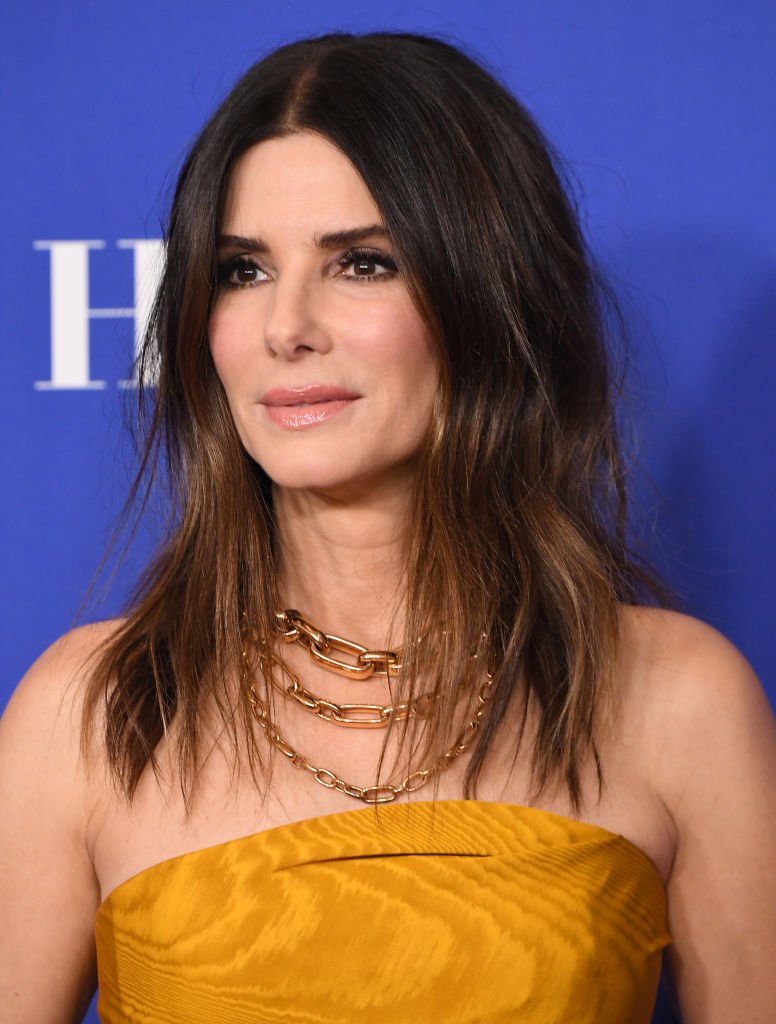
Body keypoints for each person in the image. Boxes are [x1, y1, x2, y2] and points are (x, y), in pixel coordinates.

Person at [1, 31, 774, 1024]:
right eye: (242, 271)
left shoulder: (676, 701)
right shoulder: (92, 715)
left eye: (360, 263)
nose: (287, 326)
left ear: (485, 297)